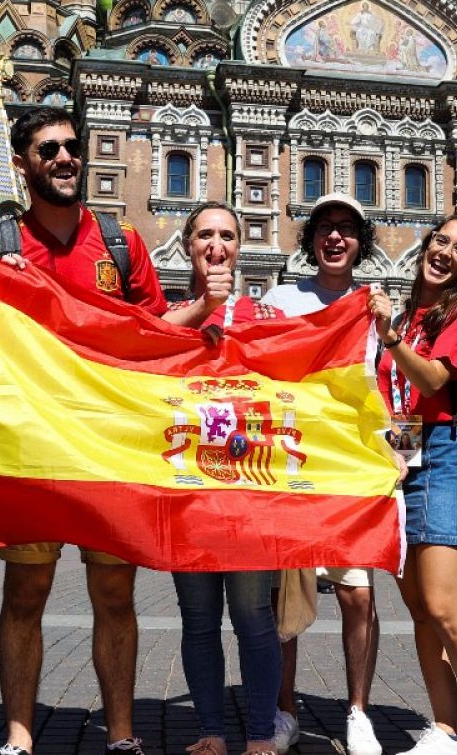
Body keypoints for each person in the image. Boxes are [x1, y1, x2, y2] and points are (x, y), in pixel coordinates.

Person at [0, 106, 170, 755]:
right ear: (22, 164)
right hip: (33, 446)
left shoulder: (121, 244)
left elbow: (158, 337)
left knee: (115, 593)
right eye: (48, 150)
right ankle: (18, 736)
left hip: (106, 445)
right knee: (27, 591)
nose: (65, 158)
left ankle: (121, 735)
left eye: (71, 147)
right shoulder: (2, 246)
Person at [369, 214, 457, 755]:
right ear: (427, 245)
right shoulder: (406, 314)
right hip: (410, 457)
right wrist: (398, 461)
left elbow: (431, 378)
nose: (446, 251)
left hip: (451, 457)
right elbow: (402, 402)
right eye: (441, 240)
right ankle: (446, 729)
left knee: (444, 605)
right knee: (419, 610)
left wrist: (391, 339)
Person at [258, 192, 383, 755]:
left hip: (350, 467)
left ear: (361, 242)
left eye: (347, 229)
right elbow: (252, 361)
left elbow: (385, 387)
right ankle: (284, 710)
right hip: (291, 467)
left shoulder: (373, 305)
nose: (336, 237)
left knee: (357, 595)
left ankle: (357, 711)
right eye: (325, 228)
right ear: (311, 240)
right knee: (289, 599)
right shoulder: (283, 298)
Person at [165, 202, 283, 755]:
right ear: (188, 245)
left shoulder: (262, 315)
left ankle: (260, 732)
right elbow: (141, 350)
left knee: (253, 616)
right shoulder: (174, 315)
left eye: (228, 236)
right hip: (188, 488)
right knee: (198, 618)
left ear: (241, 247)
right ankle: (210, 729)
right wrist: (204, 309)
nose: (217, 245)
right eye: (205, 235)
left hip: (251, 491)